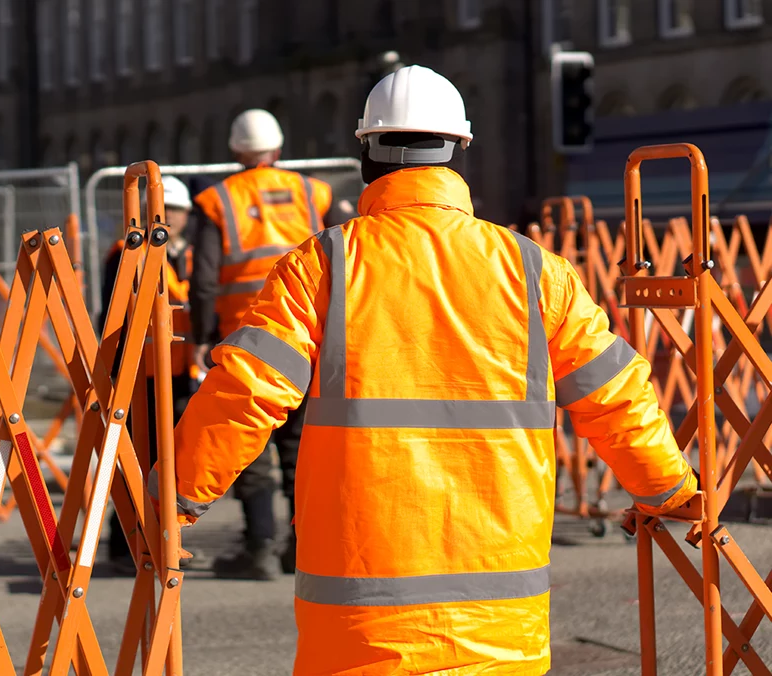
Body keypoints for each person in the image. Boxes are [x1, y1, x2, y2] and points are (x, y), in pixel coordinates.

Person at [161, 66, 698, 674]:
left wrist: (171, 497)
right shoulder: (535, 272)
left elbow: (244, 393)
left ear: (366, 153)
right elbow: (615, 395)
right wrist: (669, 490)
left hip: (361, 616)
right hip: (501, 614)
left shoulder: (322, 266)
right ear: (458, 153)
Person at [190, 109, 349, 580]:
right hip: (309, 333)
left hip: (248, 338)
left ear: (236, 151)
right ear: (277, 149)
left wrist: (202, 337)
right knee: (302, 445)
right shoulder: (314, 192)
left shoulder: (217, 200)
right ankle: (302, 546)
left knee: (252, 442)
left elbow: (202, 280)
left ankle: (259, 548)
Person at [100, 175, 199, 574]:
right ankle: (125, 545)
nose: (173, 218)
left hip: (179, 373)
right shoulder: (125, 254)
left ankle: (163, 541)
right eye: (168, 210)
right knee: (137, 460)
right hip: (139, 372)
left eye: (179, 211)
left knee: (170, 464)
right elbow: (113, 314)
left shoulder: (189, 256)